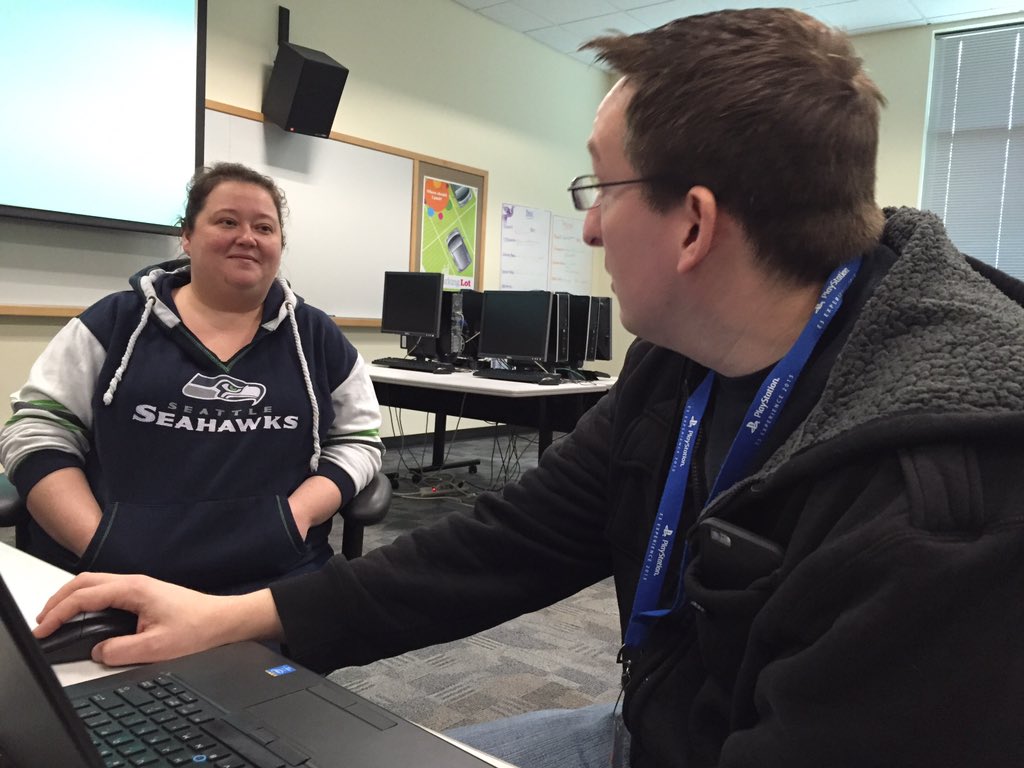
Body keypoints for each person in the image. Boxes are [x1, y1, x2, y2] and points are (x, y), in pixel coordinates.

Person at [32, 9, 1024, 768]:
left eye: (599, 189)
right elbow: (503, 545)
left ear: (693, 225)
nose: (586, 227)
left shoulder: (943, 495)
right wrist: (241, 617)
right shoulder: (680, 362)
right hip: (655, 725)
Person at [0, 163, 384, 594]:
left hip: (274, 581)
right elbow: (37, 430)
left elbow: (358, 439)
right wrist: (99, 542)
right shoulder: (113, 323)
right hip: (111, 575)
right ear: (186, 235)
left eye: (264, 227)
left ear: (279, 245)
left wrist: (296, 516)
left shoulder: (316, 336)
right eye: (227, 222)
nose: (247, 237)